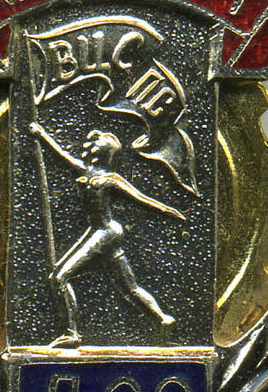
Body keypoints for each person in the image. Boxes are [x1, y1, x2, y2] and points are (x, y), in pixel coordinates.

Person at [30, 122, 185, 348]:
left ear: (104, 152)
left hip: (106, 233)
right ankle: (163, 319)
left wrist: (167, 211)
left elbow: (140, 198)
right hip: (101, 232)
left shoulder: (110, 179)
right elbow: (62, 155)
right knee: (130, 288)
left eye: (95, 144)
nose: (89, 146)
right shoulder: (85, 170)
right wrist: (42, 135)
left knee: (59, 278)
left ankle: (72, 334)